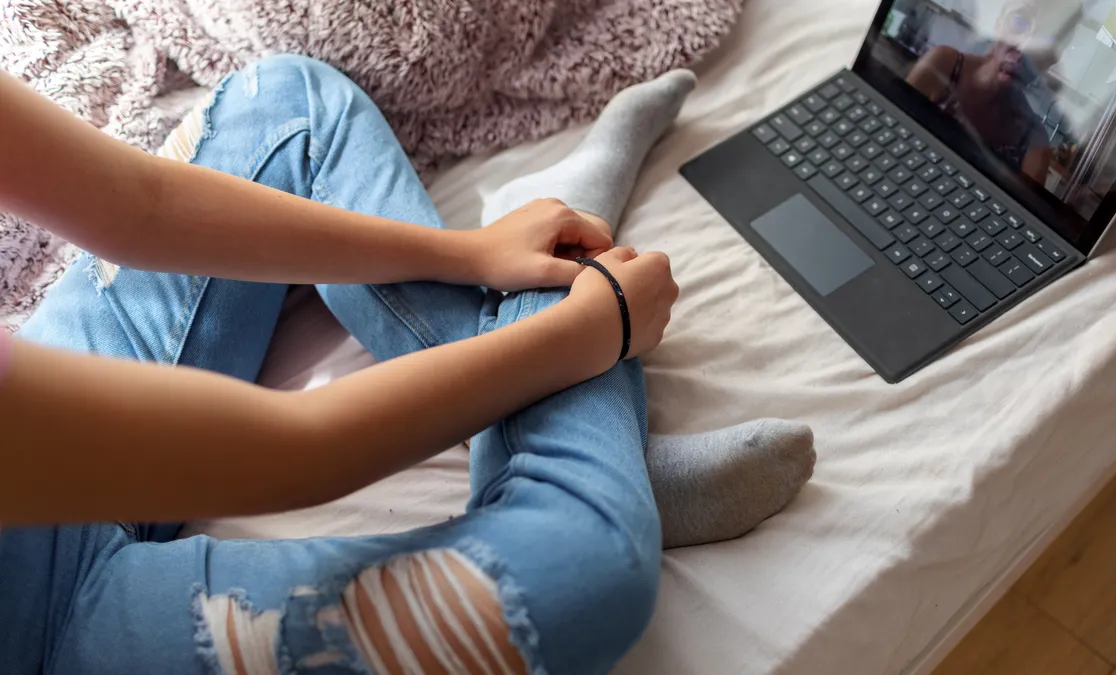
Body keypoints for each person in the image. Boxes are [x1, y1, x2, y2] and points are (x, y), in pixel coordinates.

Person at [0, 54, 815, 674]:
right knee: (583, 575)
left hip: (43, 430)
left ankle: (593, 426)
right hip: (46, 627)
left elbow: (139, 206)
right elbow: (288, 451)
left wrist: (469, 254)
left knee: (291, 102)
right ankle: (607, 445)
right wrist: (586, 337)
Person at [904, 0, 1074, 184]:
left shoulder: (1034, 142)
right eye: (1019, 22)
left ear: (1053, 60)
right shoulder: (943, 64)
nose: (1024, 47)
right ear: (999, 23)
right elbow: (896, 136)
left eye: (1045, 38)